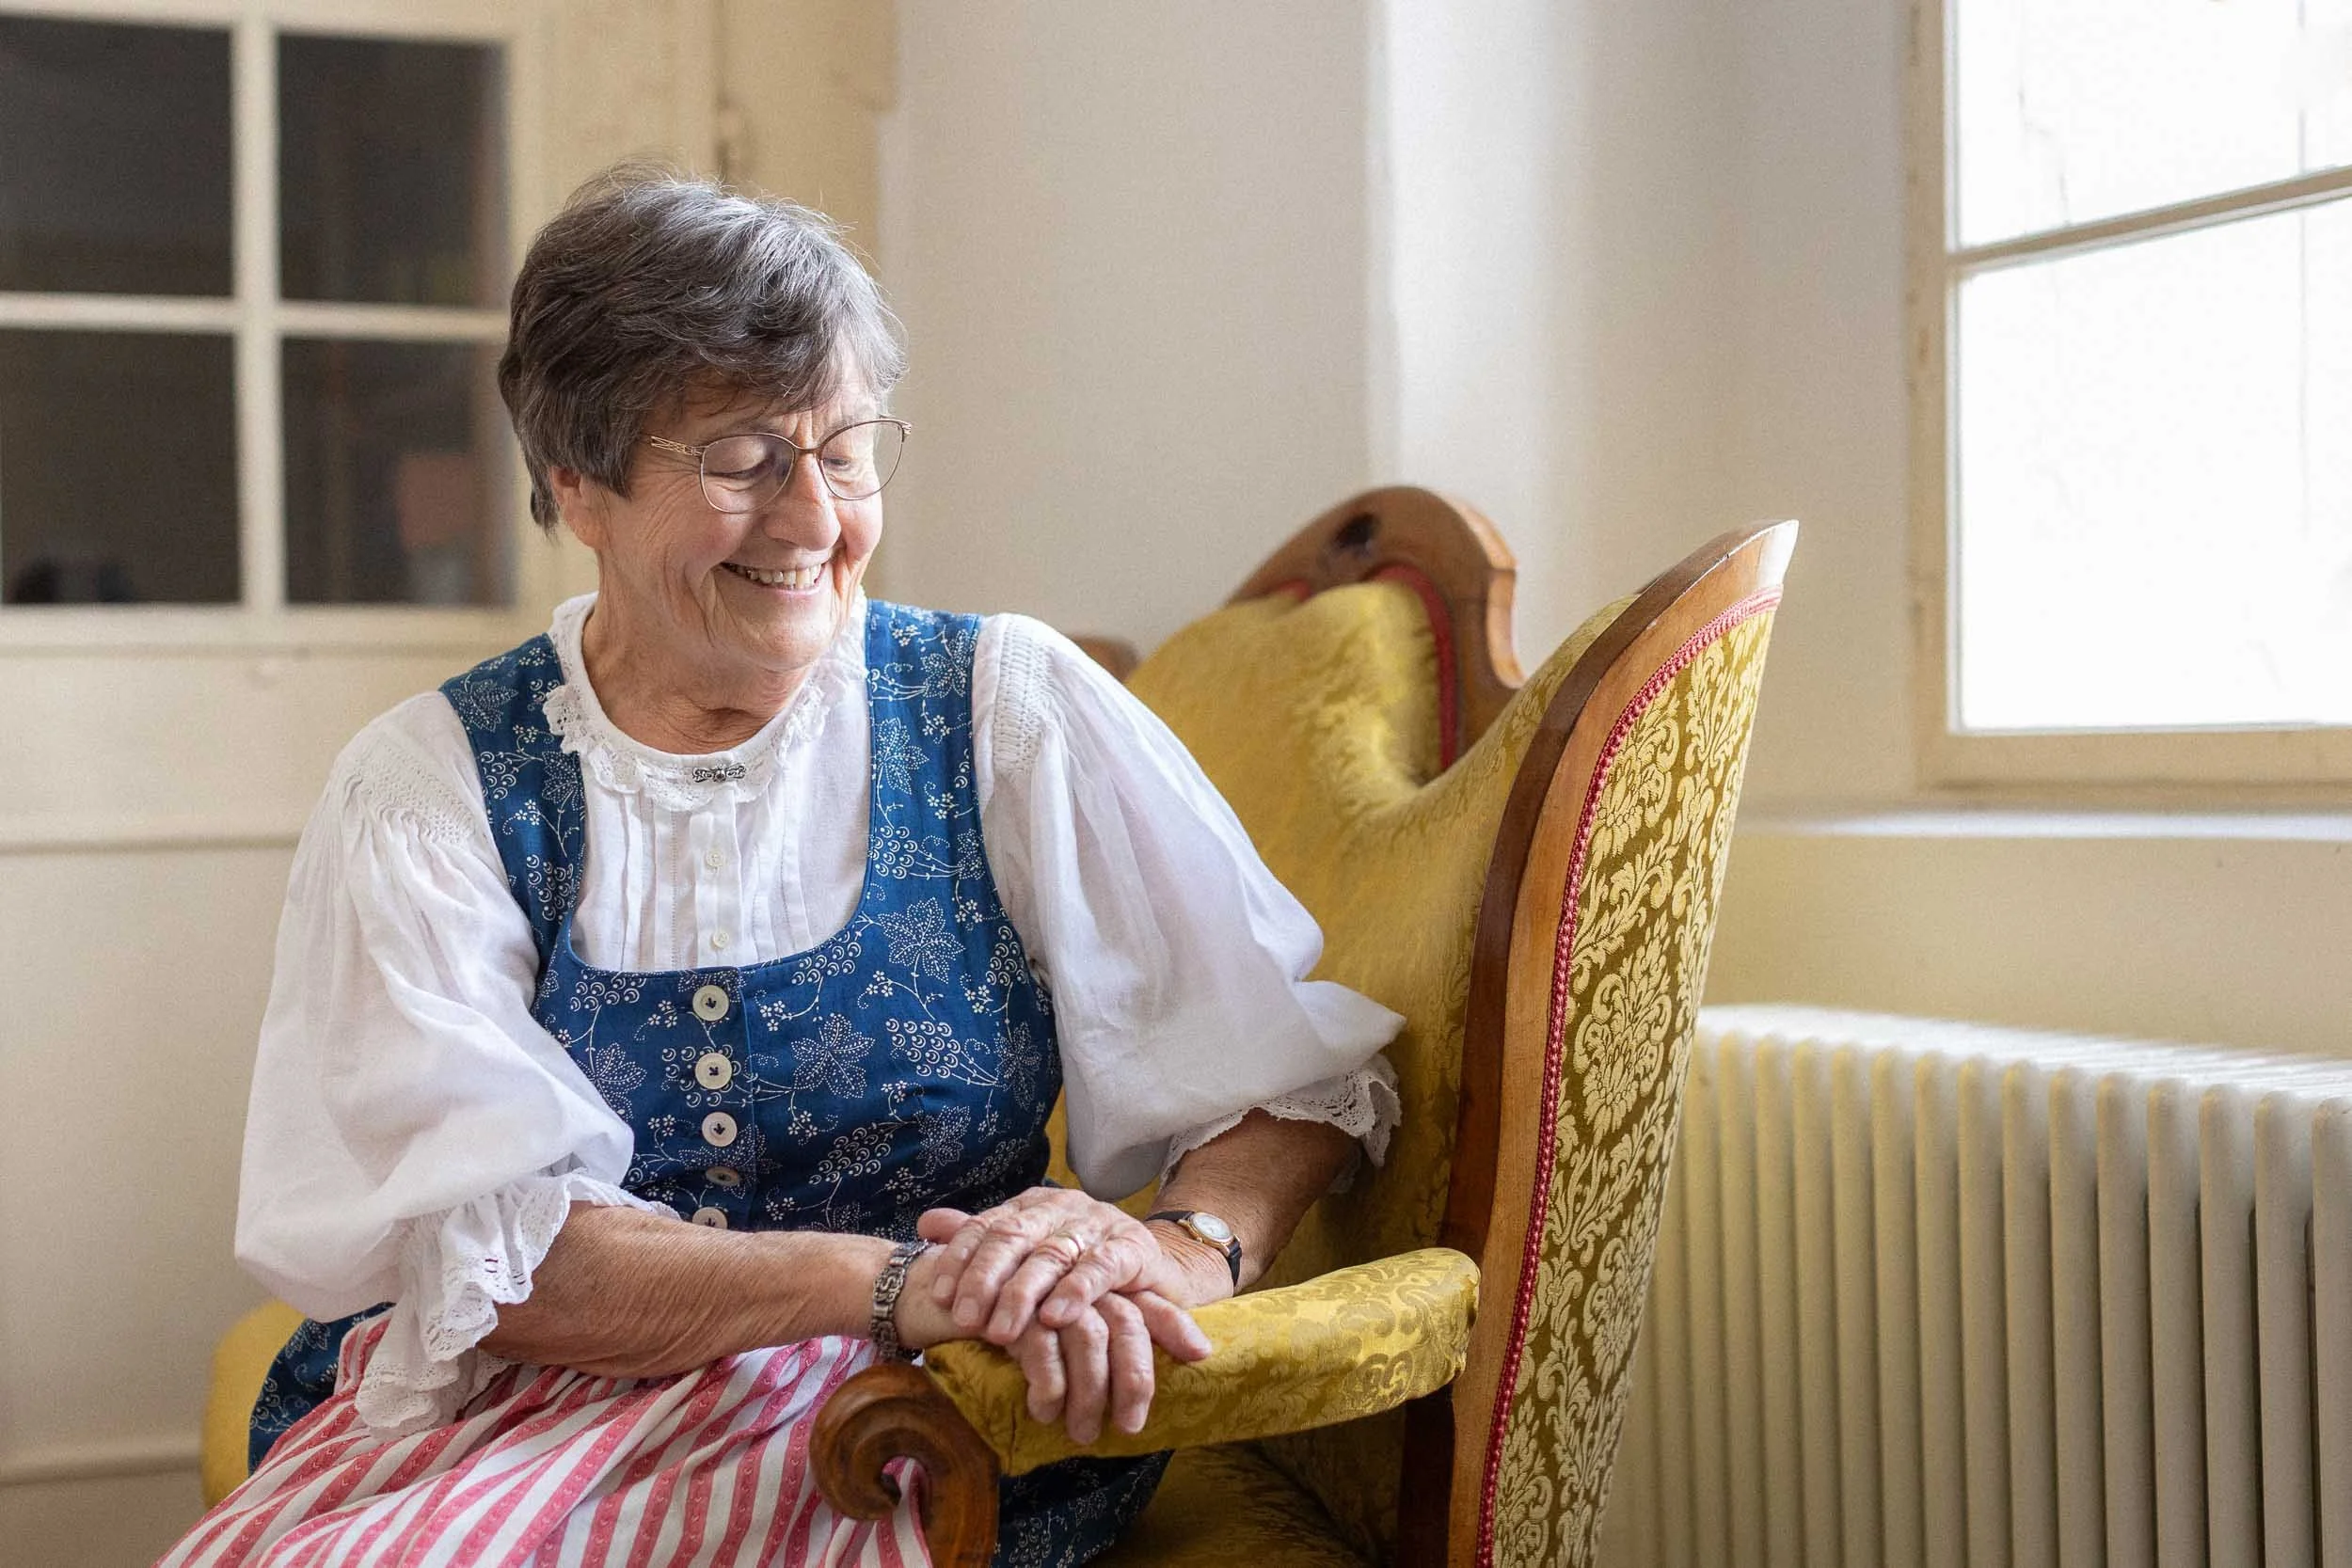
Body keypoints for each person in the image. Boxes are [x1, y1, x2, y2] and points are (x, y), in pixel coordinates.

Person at [162, 166, 1401, 1568]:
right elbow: (501, 1267)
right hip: (527, 1411)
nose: (815, 520)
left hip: (917, 1428)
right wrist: (897, 1280)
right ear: (580, 482)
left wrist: (1171, 1249)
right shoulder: (430, 784)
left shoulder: (1006, 708)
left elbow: (1283, 1079)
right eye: (744, 459)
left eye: (849, 446)